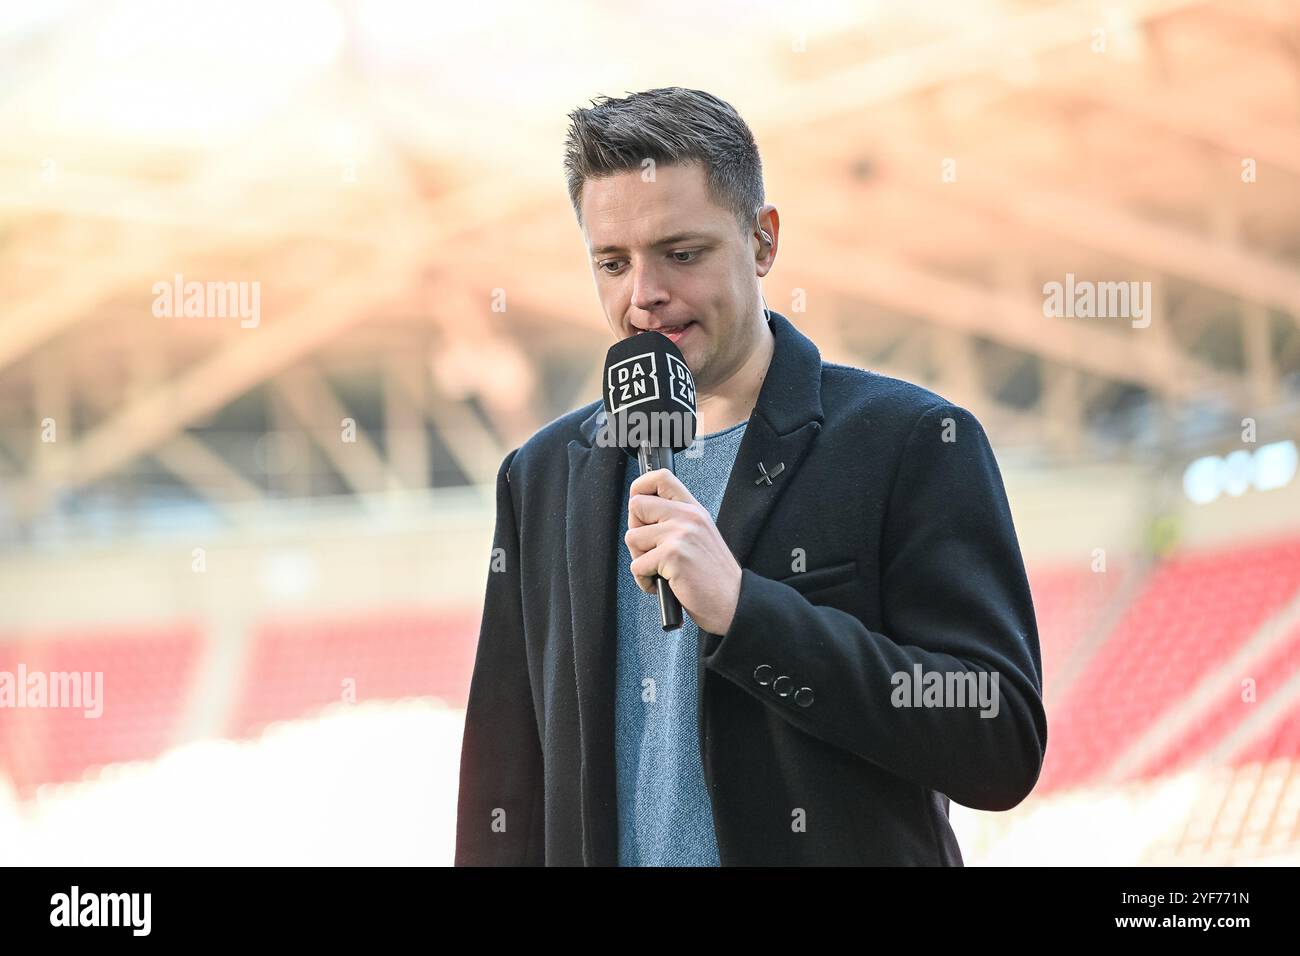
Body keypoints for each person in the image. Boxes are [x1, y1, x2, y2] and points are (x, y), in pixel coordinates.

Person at [455, 87, 1047, 866]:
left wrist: (746, 610)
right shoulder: (540, 479)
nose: (644, 295)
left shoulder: (908, 442)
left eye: (682, 253)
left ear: (763, 242)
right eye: (613, 262)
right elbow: (507, 780)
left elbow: (996, 736)